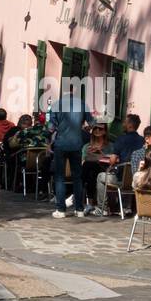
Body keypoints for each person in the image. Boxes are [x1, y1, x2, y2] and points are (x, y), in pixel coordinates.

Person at [49, 88, 93, 218]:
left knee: (60, 177)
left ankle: (61, 210)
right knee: (77, 178)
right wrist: (83, 128)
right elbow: (91, 123)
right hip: (76, 144)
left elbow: (51, 126)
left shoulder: (57, 104)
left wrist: (48, 139)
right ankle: (79, 209)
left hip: (61, 144)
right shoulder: (83, 104)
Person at [93, 112, 144, 215]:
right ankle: (126, 207)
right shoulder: (142, 140)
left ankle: (102, 208)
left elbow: (112, 160)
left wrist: (112, 162)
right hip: (138, 178)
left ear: (130, 125)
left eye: (125, 122)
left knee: (101, 176)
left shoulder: (121, 139)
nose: (123, 124)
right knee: (129, 174)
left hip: (122, 179)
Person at [80, 124, 112, 216]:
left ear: (105, 131)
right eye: (95, 128)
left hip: (104, 170)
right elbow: (82, 162)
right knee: (89, 169)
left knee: (89, 165)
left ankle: (79, 197)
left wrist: (101, 154)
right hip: (90, 171)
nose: (97, 130)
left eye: (100, 128)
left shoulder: (110, 146)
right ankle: (90, 204)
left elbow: (112, 161)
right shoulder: (86, 146)